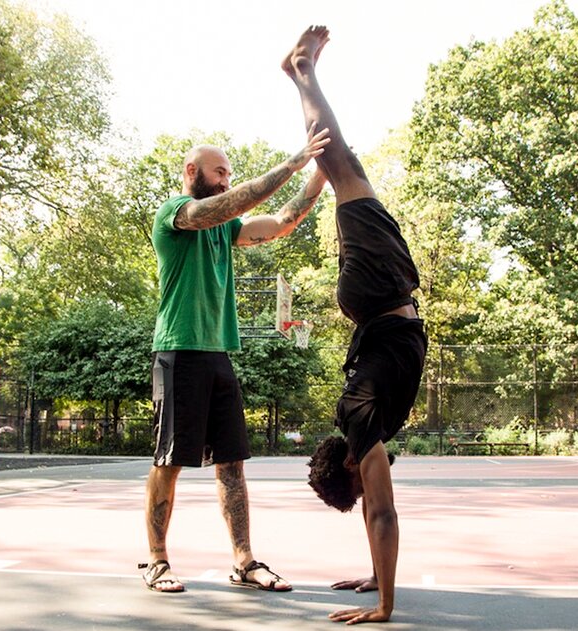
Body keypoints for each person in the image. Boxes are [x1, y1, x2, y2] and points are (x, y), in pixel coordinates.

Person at [141, 124, 330, 593]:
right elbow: (230, 204)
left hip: (218, 354)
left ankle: (244, 562)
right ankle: (157, 561)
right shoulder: (176, 213)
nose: (226, 179)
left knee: (232, 463)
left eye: (229, 173)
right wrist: (293, 161)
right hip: (178, 350)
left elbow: (281, 222)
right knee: (169, 460)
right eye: (219, 171)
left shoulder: (226, 230)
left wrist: (319, 177)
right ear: (193, 172)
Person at [283, 26, 428, 624]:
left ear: (350, 464)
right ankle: (301, 75)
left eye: (363, 483)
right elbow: (376, 513)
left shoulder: (362, 424)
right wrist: (375, 576)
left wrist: (386, 608)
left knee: (339, 161)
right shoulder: (366, 426)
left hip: (378, 293)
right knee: (349, 167)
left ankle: (302, 73)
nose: (375, 487)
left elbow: (384, 515)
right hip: (381, 295)